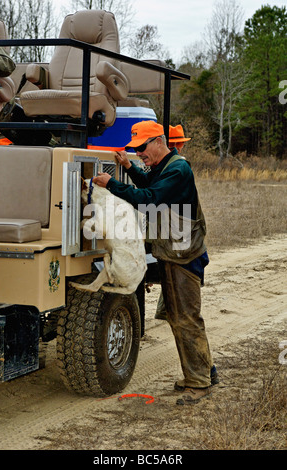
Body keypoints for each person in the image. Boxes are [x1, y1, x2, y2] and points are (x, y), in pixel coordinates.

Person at [93, 120, 217, 404]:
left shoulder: (178, 169)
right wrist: (128, 168)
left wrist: (111, 184)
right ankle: (206, 372)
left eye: (142, 147)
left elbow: (149, 198)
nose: (140, 153)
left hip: (182, 256)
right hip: (175, 253)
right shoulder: (167, 167)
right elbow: (150, 183)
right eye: (135, 149)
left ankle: (198, 383)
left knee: (186, 319)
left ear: (159, 141)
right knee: (181, 317)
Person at [155, 124, 190, 320]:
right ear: (177, 145)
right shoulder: (179, 163)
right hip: (177, 222)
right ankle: (168, 311)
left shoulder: (162, 164)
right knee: (176, 268)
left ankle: (165, 310)